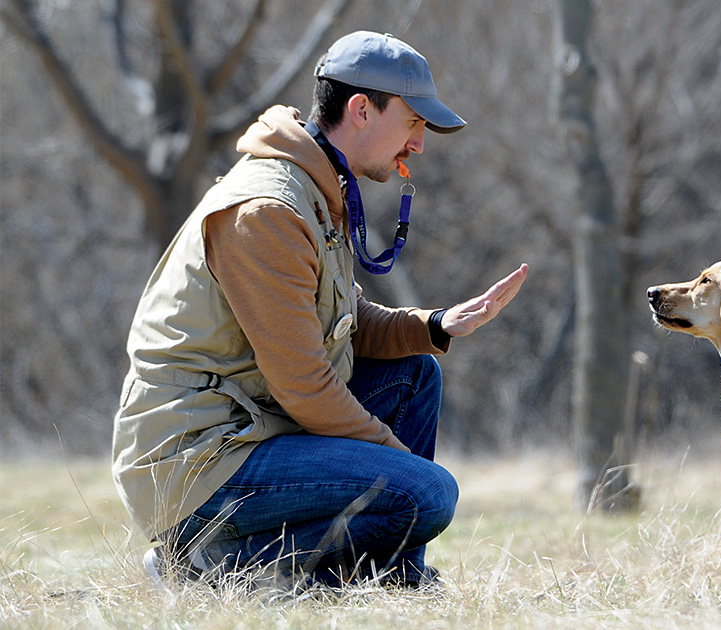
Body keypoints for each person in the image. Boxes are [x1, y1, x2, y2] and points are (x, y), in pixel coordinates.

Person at [112, 31, 528, 590]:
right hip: (198, 463)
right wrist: (403, 464)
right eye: (413, 123)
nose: (420, 144)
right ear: (361, 110)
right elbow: (305, 384)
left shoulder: (315, 187)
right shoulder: (268, 211)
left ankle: (393, 579)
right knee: (428, 493)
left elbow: (343, 321)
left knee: (414, 374)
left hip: (252, 430)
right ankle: (204, 567)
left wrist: (434, 325)